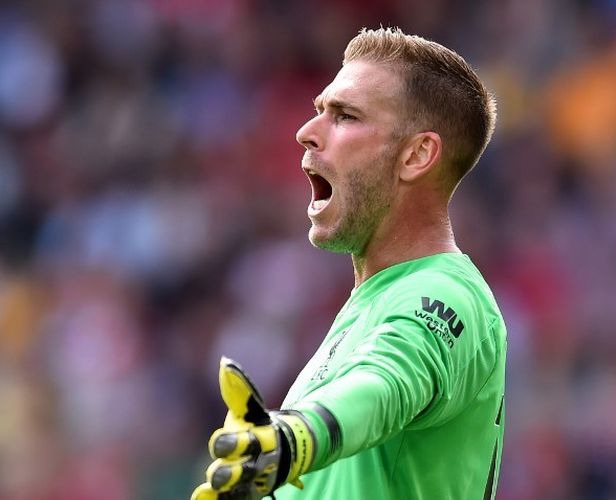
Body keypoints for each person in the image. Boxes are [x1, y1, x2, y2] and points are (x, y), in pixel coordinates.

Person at [192, 27, 507, 500]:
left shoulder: (445, 295)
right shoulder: (373, 303)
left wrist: (295, 437)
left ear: (417, 155)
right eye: (320, 110)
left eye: (345, 116)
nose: (306, 132)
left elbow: (384, 385)